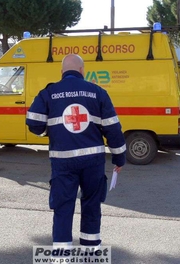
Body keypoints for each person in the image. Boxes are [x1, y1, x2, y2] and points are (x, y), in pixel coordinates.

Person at [26, 54, 126, 251]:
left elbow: (33, 123)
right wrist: (119, 157)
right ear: (82, 71)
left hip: (63, 162)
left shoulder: (49, 92)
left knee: (63, 207)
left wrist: (49, 130)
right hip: (93, 162)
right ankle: (91, 249)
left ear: (62, 72)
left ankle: (62, 254)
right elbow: (113, 129)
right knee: (91, 204)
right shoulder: (98, 92)